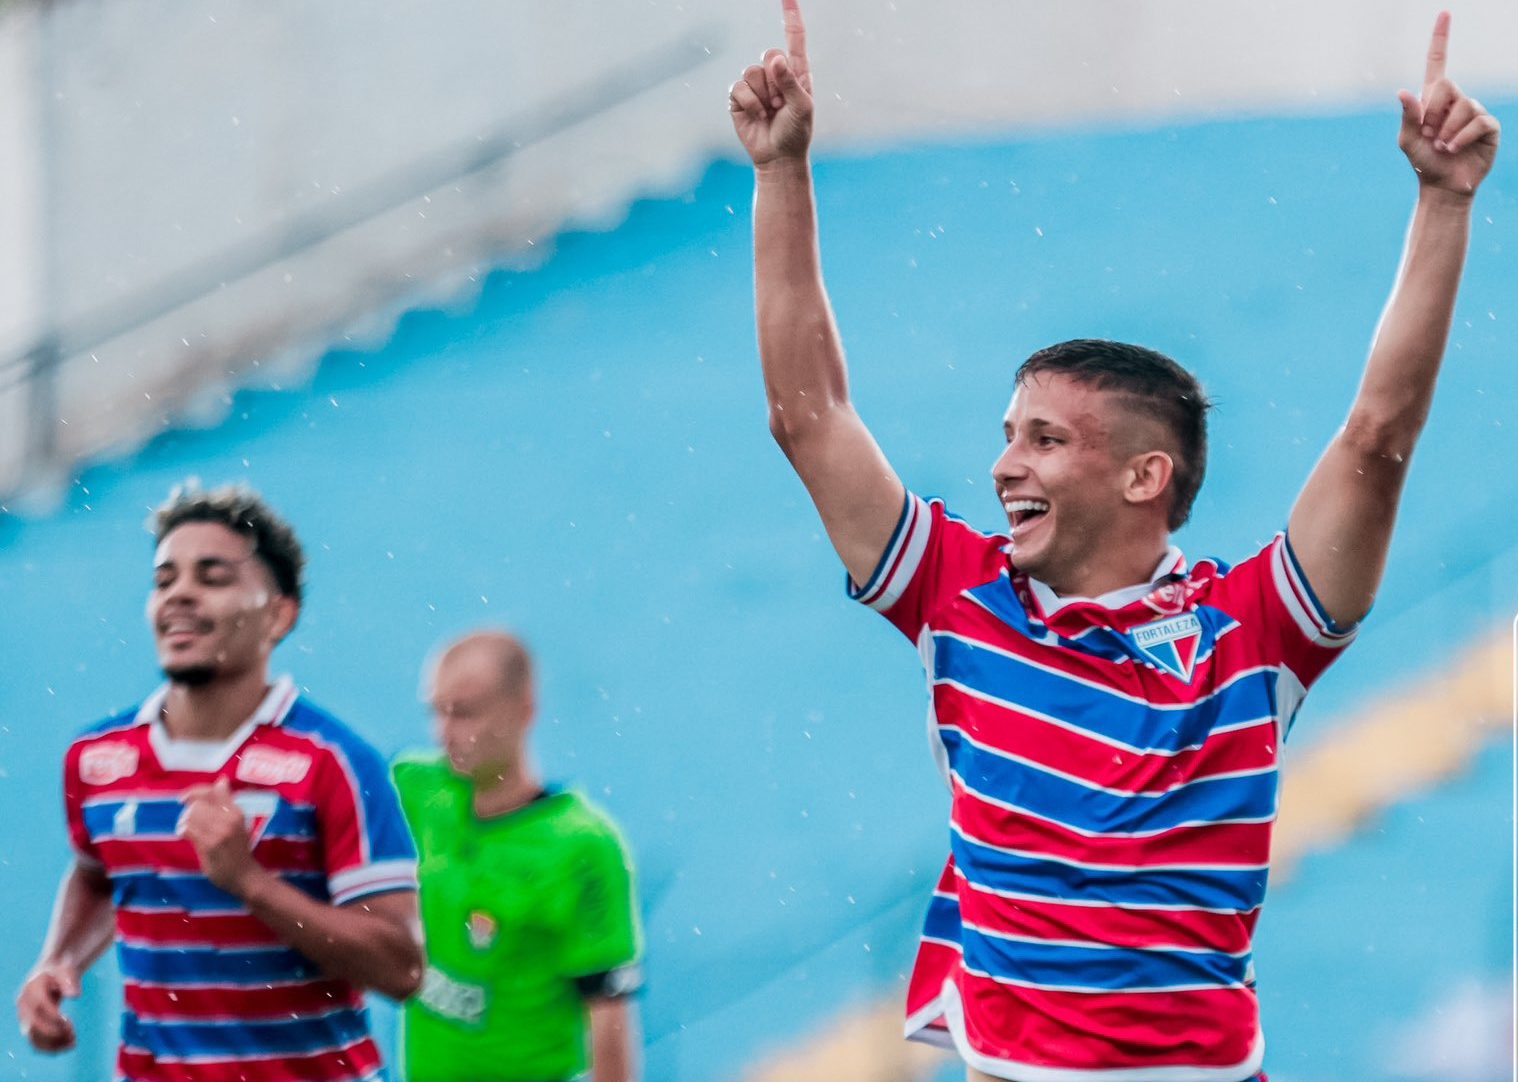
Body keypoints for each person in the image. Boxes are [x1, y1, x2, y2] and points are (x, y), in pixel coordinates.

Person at [728, 4, 1499, 1080]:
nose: (1005, 467)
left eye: (1045, 439)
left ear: (1149, 475)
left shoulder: (1253, 628)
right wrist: (781, 174)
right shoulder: (959, 592)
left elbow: (1377, 437)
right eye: (1007, 437)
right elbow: (805, 413)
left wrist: (1443, 202)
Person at [15, 482, 424, 1081]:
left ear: (280, 613)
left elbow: (401, 968)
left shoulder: (334, 761)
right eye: (164, 580)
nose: (180, 595)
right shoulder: (95, 759)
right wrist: (58, 963)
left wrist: (249, 882)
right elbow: (98, 875)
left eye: (212, 578)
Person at [393, 630, 643, 1082]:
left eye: (464, 712)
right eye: (438, 710)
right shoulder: (414, 789)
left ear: (524, 711)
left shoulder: (584, 848)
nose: (444, 732)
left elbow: (608, 1020)